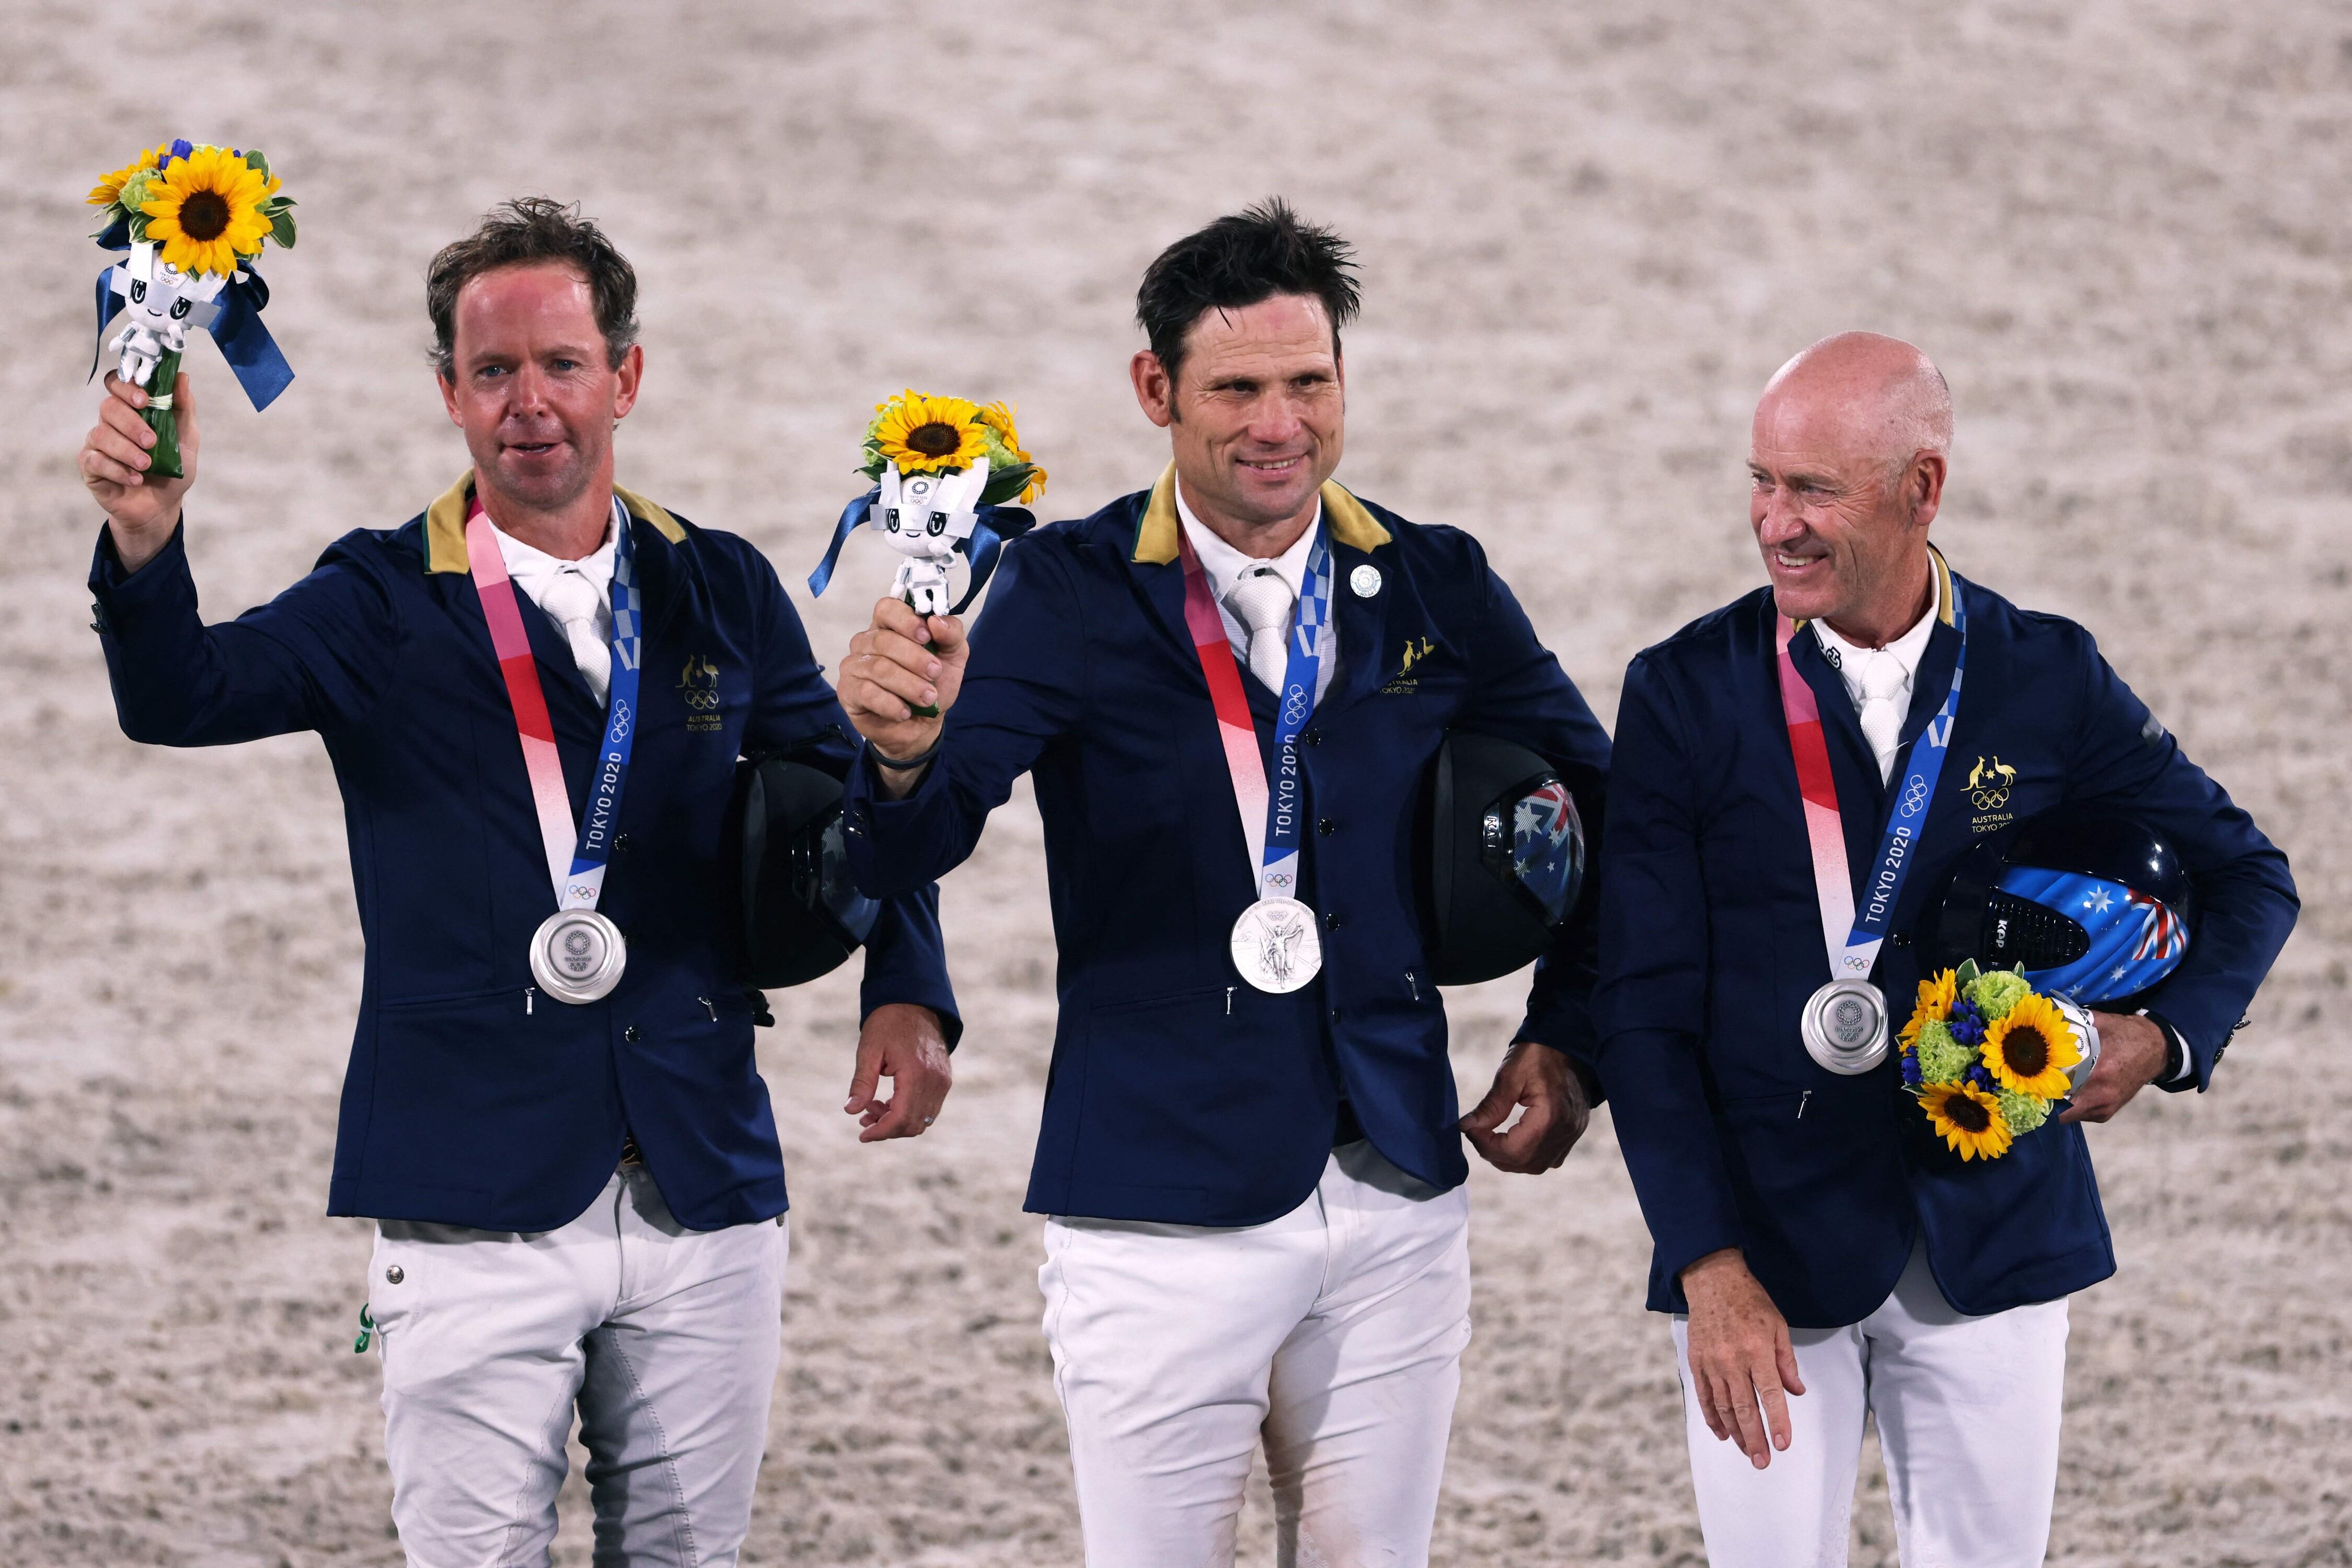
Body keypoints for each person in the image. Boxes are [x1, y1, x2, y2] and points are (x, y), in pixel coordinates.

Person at [76, 197, 959, 1568]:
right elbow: (181, 697)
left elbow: (853, 783)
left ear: (626, 374)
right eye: (494, 371)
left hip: (701, 1180)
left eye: (561, 363)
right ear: (448, 393)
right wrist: (145, 543)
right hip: (464, 1197)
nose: (530, 401)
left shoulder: (721, 585)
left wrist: (910, 983)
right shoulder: (376, 599)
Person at [833, 199, 1612, 1566]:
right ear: (1156, 390)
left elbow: (1618, 818)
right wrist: (894, 761)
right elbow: (914, 846)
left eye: (1307, 384)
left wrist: (1568, 1036)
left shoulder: (1431, 581)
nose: (1278, 425)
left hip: (1393, 1200)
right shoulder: (1067, 593)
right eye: (1237, 389)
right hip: (1154, 1216)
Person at [1594, 331, 2299, 1565]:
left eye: (1815, 489)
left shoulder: (2046, 678)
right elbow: (1642, 1006)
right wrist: (1706, 1264)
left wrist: (2167, 1035)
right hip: (1766, 1249)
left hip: (1995, 1234)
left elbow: (2249, 875)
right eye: (1762, 481)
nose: (1776, 524)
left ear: (1922, 488)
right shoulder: (1683, 694)